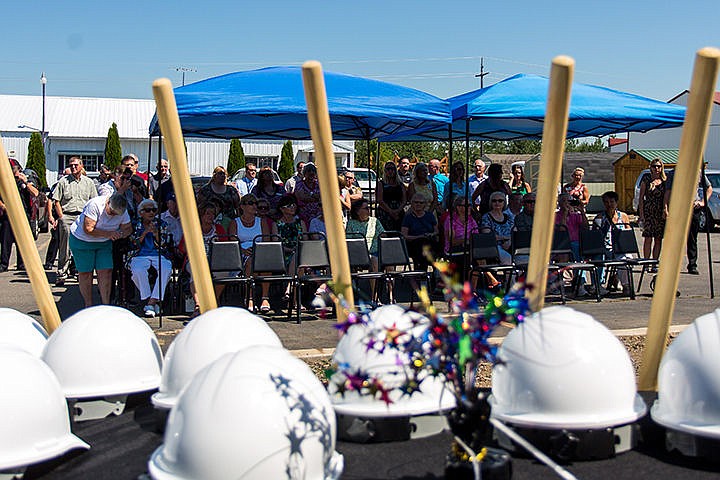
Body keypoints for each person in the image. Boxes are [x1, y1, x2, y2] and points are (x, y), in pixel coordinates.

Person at [69, 193, 131, 307]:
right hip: (82, 241)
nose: (113, 215)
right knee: (86, 273)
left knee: (106, 271)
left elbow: (128, 228)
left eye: (116, 214)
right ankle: (88, 304)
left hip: (104, 243)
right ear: (108, 203)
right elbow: (88, 228)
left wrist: (120, 234)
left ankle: (105, 304)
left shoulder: (123, 210)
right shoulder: (95, 205)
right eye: (111, 212)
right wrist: (108, 234)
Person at [179, 202, 235, 318]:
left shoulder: (218, 229)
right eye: (207, 213)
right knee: (196, 272)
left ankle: (213, 302)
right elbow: (182, 248)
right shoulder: (193, 229)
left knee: (224, 273)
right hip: (195, 259)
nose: (211, 216)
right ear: (201, 215)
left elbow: (225, 247)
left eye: (213, 214)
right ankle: (198, 305)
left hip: (215, 260)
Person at [52, 156, 97, 286]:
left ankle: (80, 271)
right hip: (67, 216)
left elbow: (93, 201)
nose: (73, 167)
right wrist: (61, 217)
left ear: (81, 166)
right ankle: (61, 273)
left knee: (83, 245)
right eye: (71, 165)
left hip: (83, 217)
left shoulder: (88, 182)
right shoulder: (63, 182)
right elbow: (56, 201)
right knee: (65, 246)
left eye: (76, 165)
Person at [128, 199, 173, 318]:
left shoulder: (161, 224)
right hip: (139, 254)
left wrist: (155, 234)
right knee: (137, 271)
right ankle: (153, 302)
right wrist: (145, 233)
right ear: (141, 212)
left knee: (167, 269)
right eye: (148, 210)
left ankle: (150, 302)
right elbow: (133, 243)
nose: (151, 213)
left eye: (153, 210)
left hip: (158, 253)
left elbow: (164, 244)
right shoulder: (135, 224)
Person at [235, 194, 272, 313]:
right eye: (251, 203)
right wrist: (243, 251)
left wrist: (258, 251)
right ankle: (249, 297)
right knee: (250, 262)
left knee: (265, 263)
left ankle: (265, 298)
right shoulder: (235, 223)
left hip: (259, 252)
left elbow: (266, 241)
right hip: (241, 254)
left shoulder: (261, 222)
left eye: (255, 203)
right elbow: (232, 243)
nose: (254, 206)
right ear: (242, 206)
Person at [0, 159, 39, 272]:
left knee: (22, 240)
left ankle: (22, 264)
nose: (12, 171)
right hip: (8, 214)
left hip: (23, 214)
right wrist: (3, 206)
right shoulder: (4, 182)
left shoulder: (25, 180)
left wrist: (25, 182)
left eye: (13, 169)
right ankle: (4, 264)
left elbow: (35, 193)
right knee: (5, 240)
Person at [593, 191, 632, 293]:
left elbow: (629, 234)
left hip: (620, 248)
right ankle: (600, 284)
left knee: (626, 258)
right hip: (605, 248)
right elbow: (595, 236)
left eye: (611, 202)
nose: (609, 204)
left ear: (616, 202)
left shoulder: (623, 216)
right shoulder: (600, 217)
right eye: (606, 202)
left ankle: (626, 285)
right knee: (600, 256)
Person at [637, 159, 668, 266]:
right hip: (648, 212)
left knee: (658, 239)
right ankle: (646, 262)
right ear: (650, 167)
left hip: (659, 213)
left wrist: (665, 210)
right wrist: (641, 215)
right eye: (654, 166)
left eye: (659, 166)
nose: (656, 169)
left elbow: (666, 197)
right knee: (648, 238)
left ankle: (654, 262)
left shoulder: (664, 181)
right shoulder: (646, 179)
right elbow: (641, 198)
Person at [346, 198, 385, 273]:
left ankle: (390, 284)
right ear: (358, 211)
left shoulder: (374, 221)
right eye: (366, 208)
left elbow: (383, 234)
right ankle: (374, 285)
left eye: (369, 208)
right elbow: (348, 240)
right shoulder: (351, 223)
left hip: (376, 251)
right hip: (360, 254)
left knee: (389, 262)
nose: (369, 210)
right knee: (374, 260)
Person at [401, 194, 438, 271]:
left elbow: (436, 231)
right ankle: (423, 272)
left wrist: (431, 234)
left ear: (425, 204)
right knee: (421, 247)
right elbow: (404, 235)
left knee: (427, 247)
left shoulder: (430, 216)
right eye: (416, 202)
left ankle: (426, 273)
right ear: (412, 203)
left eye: (421, 203)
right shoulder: (408, 218)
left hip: (429, 242)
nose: (418, 204)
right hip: (414, 244)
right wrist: (419, 236)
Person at [481, 191, 514, 265]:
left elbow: (515, 232)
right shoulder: (486, 217)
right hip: (494, 246)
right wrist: (505, 238)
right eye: (494, 201)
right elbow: (488, 235)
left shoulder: (509, 217)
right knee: (507, 259)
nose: (497, 203)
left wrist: (509, 241)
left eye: (500, 201)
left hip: (510, 245)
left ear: (504, 202)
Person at [375, 161, 406, 231]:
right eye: (388, 169)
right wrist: (391, 212)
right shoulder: (381, 184)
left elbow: (404, 200)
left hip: (399, 210)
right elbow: (380, 200)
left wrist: (398, 211)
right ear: (385, 171)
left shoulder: (400, 185)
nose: (390, 171)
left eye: (392, 169)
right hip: (384, 211)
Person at [293, 163, 322, 228]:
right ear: (305, 174)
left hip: (318, 215)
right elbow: (301, 197)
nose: (311, 174)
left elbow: (322, 197)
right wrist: (315, 196)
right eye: (309, 172)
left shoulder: (319, 185)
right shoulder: (299, 185)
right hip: (303, 216)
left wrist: (309, 195)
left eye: (313, 172)